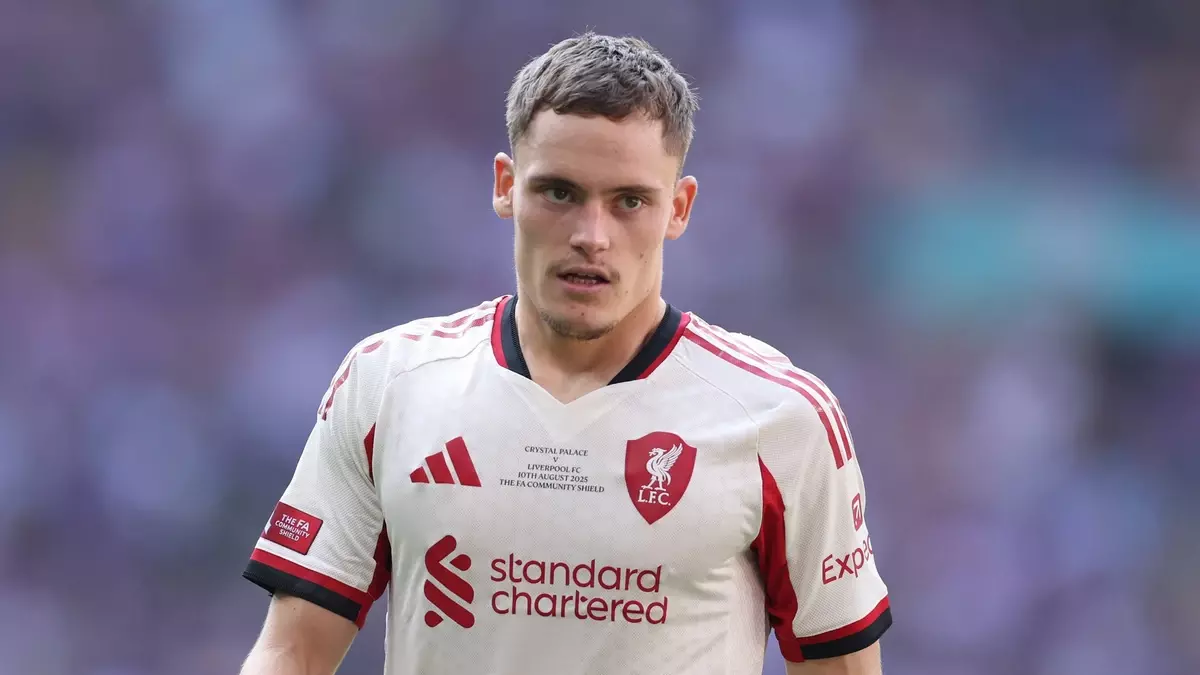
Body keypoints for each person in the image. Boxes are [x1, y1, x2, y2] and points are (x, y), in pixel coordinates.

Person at [239, 32, 891, 675]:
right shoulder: (389, 384)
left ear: (678, 208)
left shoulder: (781, 419)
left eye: (629, 201)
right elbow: (293, 651)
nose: (591, 235)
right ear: (506, 186)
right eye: (559, 192)